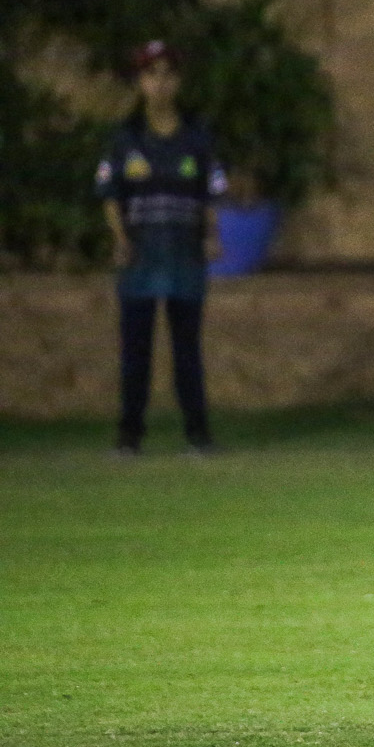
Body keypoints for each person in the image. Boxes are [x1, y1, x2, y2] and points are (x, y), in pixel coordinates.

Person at [96, 40, 227, 454]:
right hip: (140, 260)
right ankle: (129, 436)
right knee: (136, 351)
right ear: (140, 82)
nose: (160, 84)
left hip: (184, 258)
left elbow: (210, 194)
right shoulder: (125, 138)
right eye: (151, 75)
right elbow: (110, 195)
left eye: (168, 75)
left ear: (179, 81)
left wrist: (211, 236)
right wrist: (120, 241)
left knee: (187, 350)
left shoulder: (196, 137)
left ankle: (198, 435)